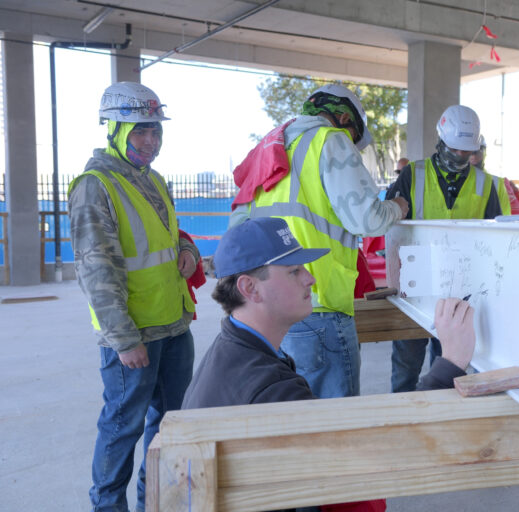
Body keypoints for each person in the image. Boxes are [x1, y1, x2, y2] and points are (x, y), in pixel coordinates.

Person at [182, 218, 476, 512]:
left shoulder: (234, 351)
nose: (309, 278)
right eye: (294, 271)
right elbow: (380, 458)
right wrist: (450, 363)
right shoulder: (271, 389)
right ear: (250, 288)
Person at [230, 84, 409, 399]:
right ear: (343, 117)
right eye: (354, 136)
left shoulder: (271, 146)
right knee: (333, 422)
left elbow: (238, 228)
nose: (352, 144)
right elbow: (367, 220)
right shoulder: (330, 139)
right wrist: (398, 207)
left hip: (270, 307)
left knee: (297, 413)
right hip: (319, 299)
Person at [68, 82, 199, 512]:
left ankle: (155, 504)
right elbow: (95, 268)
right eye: (140, 131)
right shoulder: (95, 185)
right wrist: (124, 339)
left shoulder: (154, 180)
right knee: (123, 428)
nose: (151, 141)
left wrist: (188, 252)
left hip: (173, 326)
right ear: (115, 129)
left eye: (156, 131)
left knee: (170, 426)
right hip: (134, 336)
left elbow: (170, 236)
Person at [386, 105, 510, 392]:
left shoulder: (485, 183)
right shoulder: (413, 174)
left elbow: (496, 237)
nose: (462, 156)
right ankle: (404, 420)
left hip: (460, 290)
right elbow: (391, 228)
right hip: (414, 290)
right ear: (440, 142)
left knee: (449, 367)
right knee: (406, 367)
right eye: (455, 150)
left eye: (467, 152)